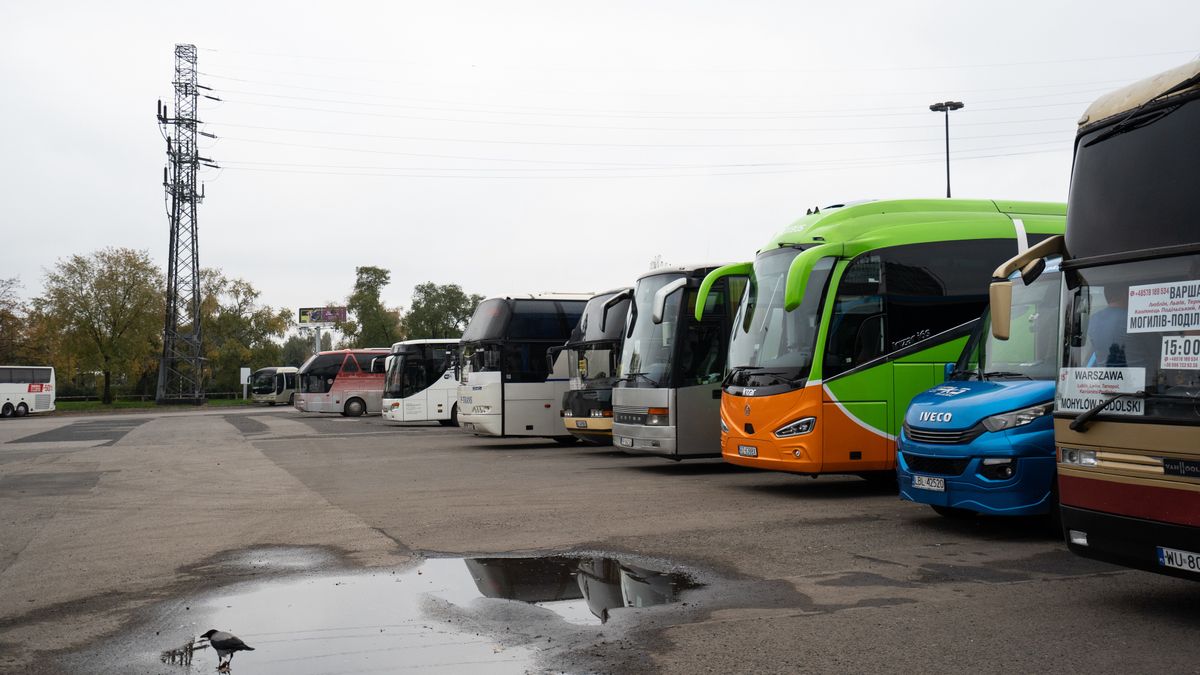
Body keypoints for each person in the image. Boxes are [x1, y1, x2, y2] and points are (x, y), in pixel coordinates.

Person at [1086, 285, 1128, 367]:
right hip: (1136, 377)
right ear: (1125, 294)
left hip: (1106, 377)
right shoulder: (1130, 318)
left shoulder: (1093, 320)